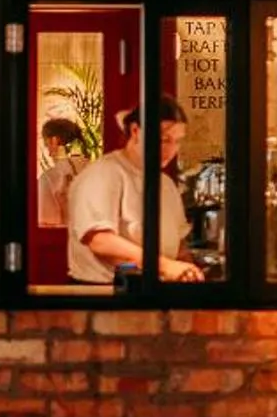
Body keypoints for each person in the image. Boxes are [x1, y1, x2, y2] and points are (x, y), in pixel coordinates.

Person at [66, 97, 202, 284]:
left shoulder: (166, 184)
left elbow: (178, 244)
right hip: (108, 294)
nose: (171, 149)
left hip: (154, 292)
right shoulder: (104, 173)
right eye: (163, 140)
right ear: (136, 131)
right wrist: (165, 266)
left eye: (177, 141)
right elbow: (99, 240)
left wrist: (187, 270)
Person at [36, 117, 85, 227]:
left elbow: (47, 228)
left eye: (47, 145)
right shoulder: (99, 171)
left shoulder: (49, 178)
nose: (49, 154)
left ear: (54, 141)